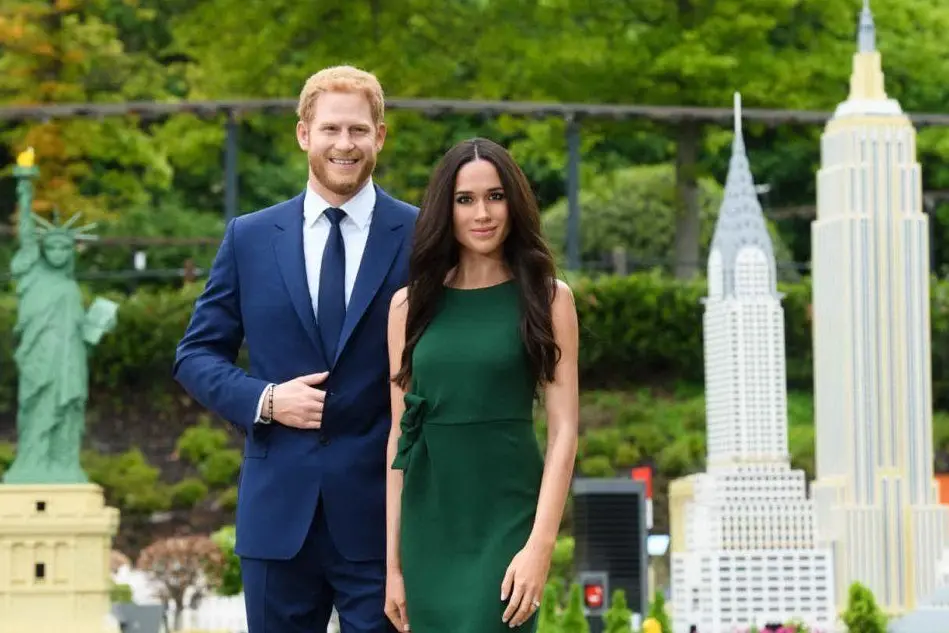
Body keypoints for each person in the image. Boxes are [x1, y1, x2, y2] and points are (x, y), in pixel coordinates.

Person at [173, 65, 417, 633]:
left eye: (358, 130)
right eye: (331, 129)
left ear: (380, 136)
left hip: (383, 526)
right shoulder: (250, 237)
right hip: (277, 519)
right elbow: (195, 354)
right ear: (304, 133)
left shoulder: (422, 236)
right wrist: (265, 400)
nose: (344, 144)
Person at [383, 138, 579, 633]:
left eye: (495, 196)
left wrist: (540, 547)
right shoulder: (408, 307)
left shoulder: (549, 298)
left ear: (514, 201)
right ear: (444, 209)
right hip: (430, 524)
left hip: (507, 519)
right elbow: (398, 439)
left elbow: (564, 433)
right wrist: (394, 567)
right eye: (465, 200)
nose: (482, 213)